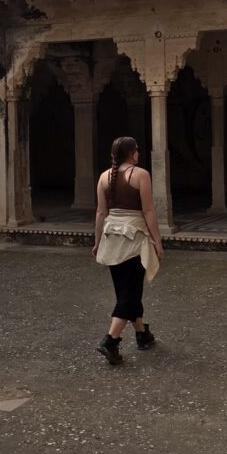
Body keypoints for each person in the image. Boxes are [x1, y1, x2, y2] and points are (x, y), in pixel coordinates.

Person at [92, 136, 164, 364]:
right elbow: (148, 211)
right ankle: (110, 341)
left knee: (127, 292)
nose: (139, 154)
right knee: (129, 294)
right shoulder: (141, 174)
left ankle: (142, 334)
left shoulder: (104, 177)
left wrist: (97, 242)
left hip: (112, 238)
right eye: (137, 150)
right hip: (134, 239)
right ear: (132, 153)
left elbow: (100, 213)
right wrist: (158, 241)